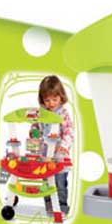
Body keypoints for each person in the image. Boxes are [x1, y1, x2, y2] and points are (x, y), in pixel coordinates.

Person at [38, 75, 73, 216]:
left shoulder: (63, 113)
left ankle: (62, 206)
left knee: (60, 182)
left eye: (54, 99)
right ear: (42, 100)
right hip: (45, 155)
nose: (51, 103)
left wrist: (64, 145)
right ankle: (49, 204)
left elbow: (69, 131)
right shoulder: (41, 113)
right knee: (46, 182)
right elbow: (37, 126)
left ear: (61, 97)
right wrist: (34, 131)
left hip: (59, 155)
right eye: (47, 100)